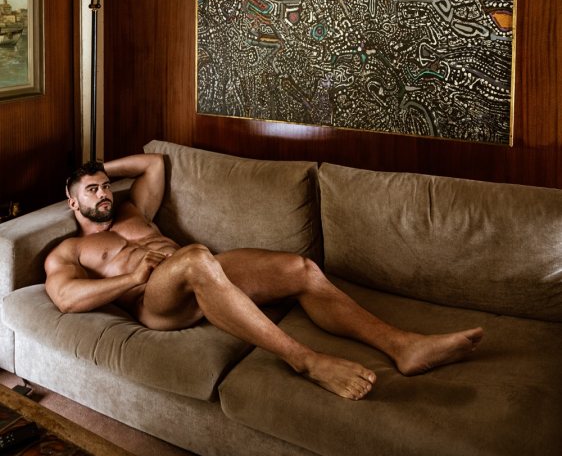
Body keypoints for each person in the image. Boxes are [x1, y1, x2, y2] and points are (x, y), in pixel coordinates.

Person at [45, 153, 484, 401]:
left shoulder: (133, 210)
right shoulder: (71, 250)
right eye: (92, 190)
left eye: (105, 186)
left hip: (203, 273)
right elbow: (66, 298)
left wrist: (99, 168)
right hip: (156, 302)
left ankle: (403, 346)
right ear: (72, 203)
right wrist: (131, 279)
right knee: (196, 257)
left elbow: (154, 164)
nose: (104, 194)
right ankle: (306, 361)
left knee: (300, 269)